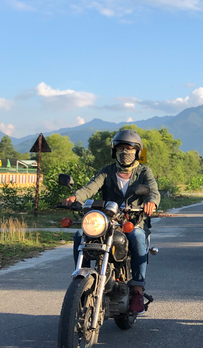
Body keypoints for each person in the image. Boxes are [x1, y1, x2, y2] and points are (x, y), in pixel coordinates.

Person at [62, 129, 160, 314]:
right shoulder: (107, 171)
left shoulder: (144, 171)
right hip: (108, 220)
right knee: (79, 236)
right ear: (114, 150)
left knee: (138, 238)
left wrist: (151, 202)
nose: (125, 152)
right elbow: (89, 188)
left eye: (129, 148)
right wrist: (75, 197)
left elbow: (153, 190)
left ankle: (137, 290)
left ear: (137, 151)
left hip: (133, 220)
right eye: (121, 148)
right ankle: (80, 282)